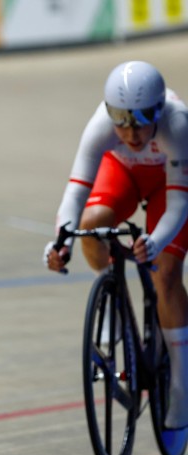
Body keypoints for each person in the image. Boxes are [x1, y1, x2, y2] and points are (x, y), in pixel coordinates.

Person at [44, 61, 188, 429]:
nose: (132, 132)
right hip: (124, 172)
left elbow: (178, 206)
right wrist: (61, 242)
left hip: (169, 187)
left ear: (158, 111)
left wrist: (155, 243)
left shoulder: (178, 123)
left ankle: (182, 387)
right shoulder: (101, 126)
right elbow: (75, 193)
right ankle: (113, 295)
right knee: (92, 226)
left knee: (167, 275)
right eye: (122, 121)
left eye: (141, 121)